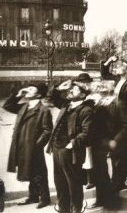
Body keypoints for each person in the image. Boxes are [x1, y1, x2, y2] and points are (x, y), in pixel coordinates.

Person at [3, 83, 52, 209]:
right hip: (21, 145)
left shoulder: (43, 110)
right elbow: (7, 106)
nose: (28, 90)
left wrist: (37, 145)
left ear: (39, 94)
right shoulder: (24, 106)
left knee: (39, 171)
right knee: (30, 169)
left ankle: (45, 198)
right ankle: (33, 196)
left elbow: (47, 130)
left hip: (33, 146)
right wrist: (17, 95)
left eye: (31, 89)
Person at [48, 81, 93, 213]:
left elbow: (86, 132)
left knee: (73, 182)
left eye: (75, 89)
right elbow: (52, 97)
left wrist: (72, 144)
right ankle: (63, 209)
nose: (71, 90)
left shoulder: (86, 110)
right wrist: (59, 87)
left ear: (83, 94)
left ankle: (76, 209)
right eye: (71, 88)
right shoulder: (66, 105)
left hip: (71, 150)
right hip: (57, 148)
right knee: (59, 181)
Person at [100, 56, 127, 194]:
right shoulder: (118, 80)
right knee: (115, 153)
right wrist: (109, 61)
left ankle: (119, 182)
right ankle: (118, 180)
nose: (117, 66)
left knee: (119, 151)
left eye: (121, 65)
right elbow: (105, 74)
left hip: (125, 125)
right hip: (114, 123)